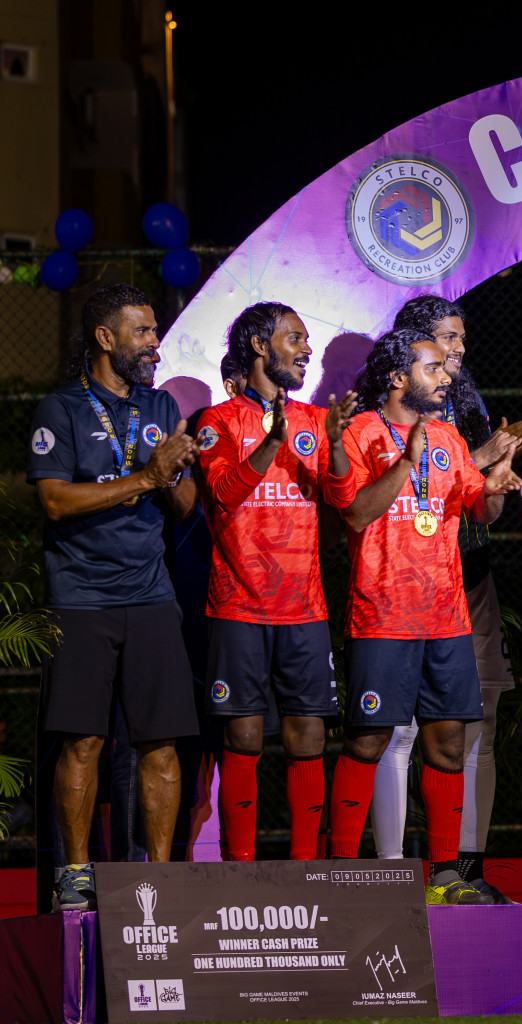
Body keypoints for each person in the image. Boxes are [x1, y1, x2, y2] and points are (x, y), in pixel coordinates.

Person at [326, 329, 522, 905]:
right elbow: (356, 515)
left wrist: (499, 485)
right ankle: (340, 872)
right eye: (435, 367)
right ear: (397, 377)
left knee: (446, 743)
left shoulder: (448, 436)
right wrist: (403, 462)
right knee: (368, 742)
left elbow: (476, 506)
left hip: (446, 616)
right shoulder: (362, 432)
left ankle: (444, 876)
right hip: (384, 614)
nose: (448, 376)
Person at [28, 284, 200, 908]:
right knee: (85, 740)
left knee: (161, 741)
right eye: (143, 332)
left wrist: (174, 474)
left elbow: (181, 508)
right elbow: (53, 500)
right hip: (81, 597)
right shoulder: (62, 409)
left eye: (155, 331)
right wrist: (146, 475)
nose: (156, 344)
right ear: (106, 338)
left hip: (151, 596)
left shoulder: (161, 406)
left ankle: (161, 877)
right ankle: (75, 874)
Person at [370, 297, 522, 902]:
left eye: (461, 340)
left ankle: (463, 868)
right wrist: (484, 456)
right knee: (400, 731)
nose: (456, 352)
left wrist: (496, 469)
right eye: (445, 340)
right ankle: (391, 869)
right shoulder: (386, 415)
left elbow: (473, 492)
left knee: (474, 722)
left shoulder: (463, 402)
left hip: (470, 579)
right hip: (402, 586)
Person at [196, 302, 359, 863]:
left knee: (308, 739)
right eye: (295, 338)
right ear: (260, 346)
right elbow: (221, 494)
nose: (306, 348)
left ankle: (304, 867)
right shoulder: (217, 421)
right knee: (242, 739)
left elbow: (342, 501)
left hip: (304, 609)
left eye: (308, 339)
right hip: (238, 605)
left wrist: (336, 446)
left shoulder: (316, 422)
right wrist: (271, 443)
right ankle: (239, 866)